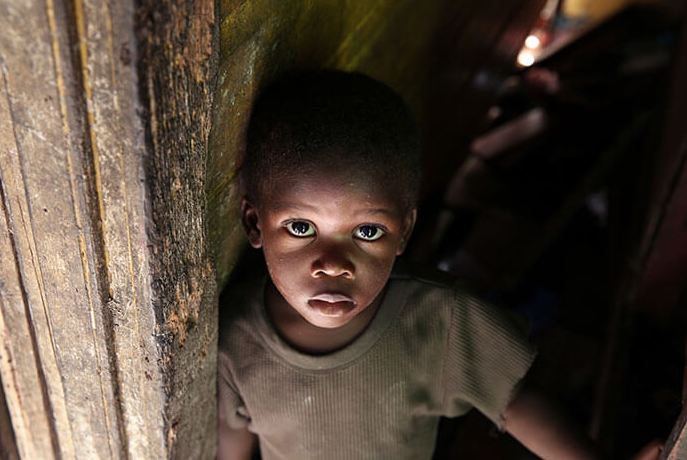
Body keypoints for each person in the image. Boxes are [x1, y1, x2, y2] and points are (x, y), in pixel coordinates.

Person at [216, 70, 658, 459]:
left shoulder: (440, 319)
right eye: (299, 227)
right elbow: (231, 450)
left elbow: (515, 401)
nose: (333, 265)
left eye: (368, 231)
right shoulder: (234, 338)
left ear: (404, 232)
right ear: (255, 224)